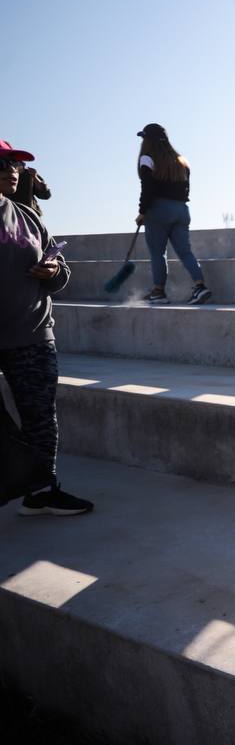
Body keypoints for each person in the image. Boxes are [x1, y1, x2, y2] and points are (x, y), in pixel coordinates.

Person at [0, 140, 93, 515]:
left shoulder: (28, 216)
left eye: (15, 165)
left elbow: (61, 273)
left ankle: (42, 489)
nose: (12, 170)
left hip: (33, 334)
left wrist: (54, 272)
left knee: (40, 416)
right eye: (3, 163)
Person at [136, 124, 211, 306]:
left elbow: (148, 188)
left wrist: (142, 211)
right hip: (181, 210)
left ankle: (159, 292)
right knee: (185, 252)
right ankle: (200, 287)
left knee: (157, 253)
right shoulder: (181, 160)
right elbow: (186, 189)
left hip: (159, 210)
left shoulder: (147, 158)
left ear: (147, 140)